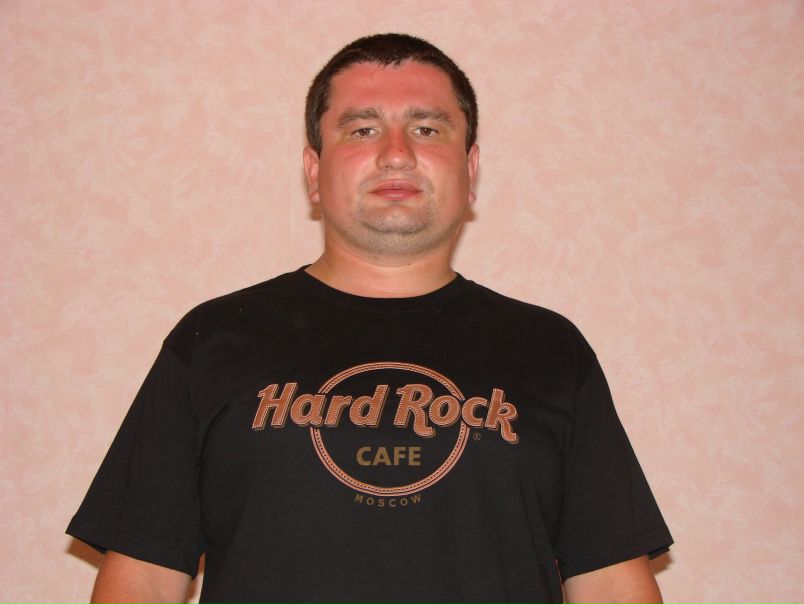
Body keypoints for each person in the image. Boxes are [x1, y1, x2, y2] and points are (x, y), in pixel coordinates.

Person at [67, 33, 673, 603]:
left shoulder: (550, 349)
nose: (397, 154)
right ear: (314, 172)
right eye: (362, 129)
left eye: (427, 129)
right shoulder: (211, 340)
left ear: (470, 170)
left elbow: (611, 585)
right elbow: (143, 580)